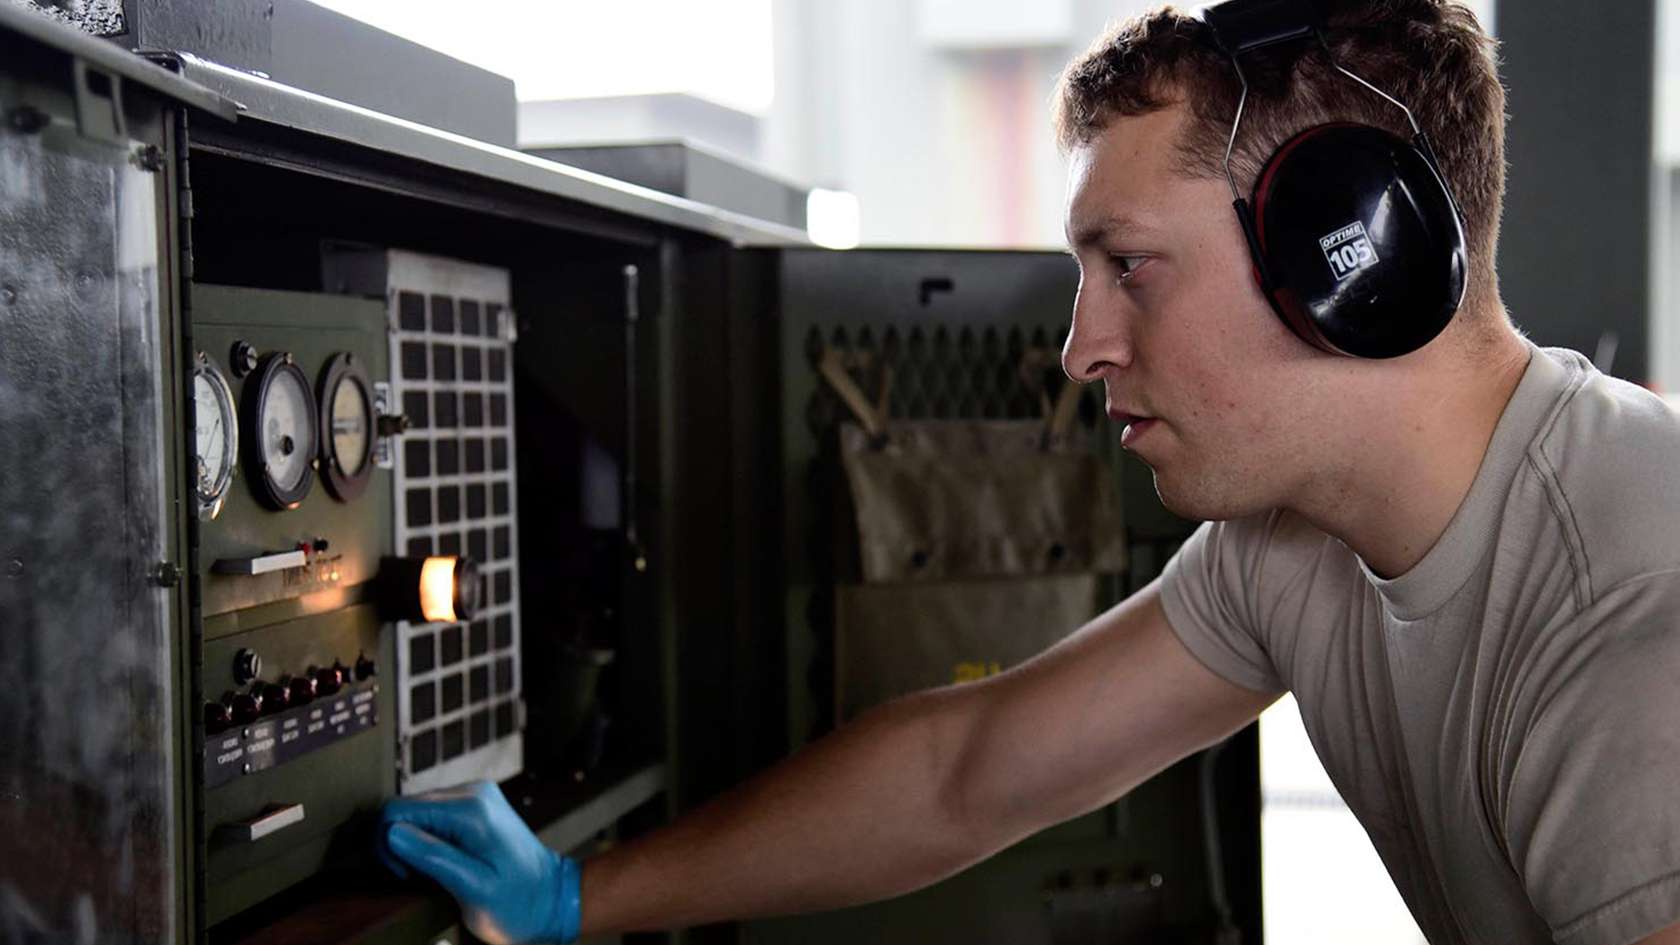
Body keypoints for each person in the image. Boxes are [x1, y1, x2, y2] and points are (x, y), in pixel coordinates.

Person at [378, 2, 1680, 943]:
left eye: (1131, 266)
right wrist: (575, 896)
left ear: (1352, 255)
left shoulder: (1629, 632)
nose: (1078, 348)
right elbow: (971, 767)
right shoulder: (1292, 550)